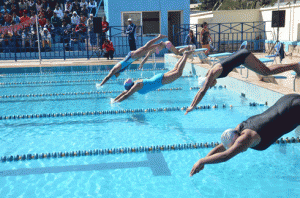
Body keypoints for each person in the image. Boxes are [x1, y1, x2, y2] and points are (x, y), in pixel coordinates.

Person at [190, 94, 300, 176]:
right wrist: (206, 160)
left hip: (294, 110)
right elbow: (222, 147)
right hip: (287, 100)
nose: (237, 149)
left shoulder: (246, 138)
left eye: (234, 146)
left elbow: (225, 155)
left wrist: (201, 161)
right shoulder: (239, 129)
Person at [185, 49, 300, 115]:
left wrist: (192, 106)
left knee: (266, 71)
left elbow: (202, 91)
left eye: (209, 86)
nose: (211, 87)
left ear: (208, 82)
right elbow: (202, 89)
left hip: (244, 56)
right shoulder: (210, 74)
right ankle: (294, 66)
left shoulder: (213, 73)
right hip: (242, 59)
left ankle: (294, 65)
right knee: (265, 71)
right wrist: (191, 105)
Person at [113, 50, 194, 103]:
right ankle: (184, 55)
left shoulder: (136, 86)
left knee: (178, 73)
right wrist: (114, 100)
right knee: (176, 69)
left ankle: (185, 55)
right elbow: (124, 93)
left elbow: (126, 95)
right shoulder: (135, 84)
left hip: (159, 81)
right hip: (157, 78)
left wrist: (117, 103)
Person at [99, 34, 168, 86]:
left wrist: (101, 84)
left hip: (132, 56)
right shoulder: (120, 70)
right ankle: (159, 43)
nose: (117, 76)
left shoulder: (117, 69)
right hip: (132, 58)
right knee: (146, 49)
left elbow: (108, 77)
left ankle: (159, 37)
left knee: (145, 48)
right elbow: (109, 77)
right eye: (116, 76)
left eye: (116, 76)